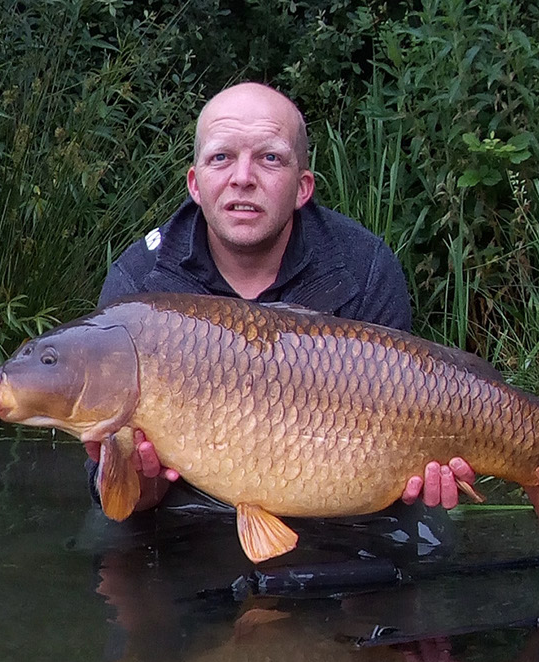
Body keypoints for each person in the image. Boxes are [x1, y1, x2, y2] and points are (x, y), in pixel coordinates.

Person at [84, 82, 475, 518]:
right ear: (195, 184)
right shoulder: (140, 284)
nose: (243, 177)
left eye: (269, 158)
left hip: (341, 515)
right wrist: (145, 478)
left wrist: (425, 468)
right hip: (181, 516)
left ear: (303, 187)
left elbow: (408, 424)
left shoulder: (364, 268)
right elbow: (113, 493)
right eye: (221, 157)